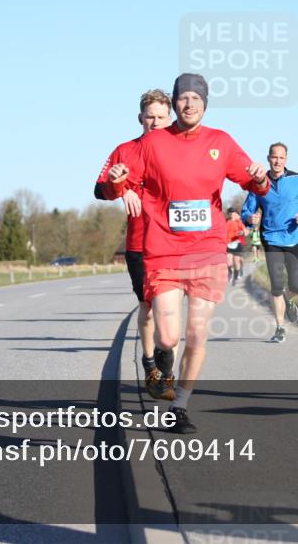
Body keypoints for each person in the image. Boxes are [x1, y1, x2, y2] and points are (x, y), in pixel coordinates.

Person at [106, 73, 270, 433]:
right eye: (183, 98)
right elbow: (107, 187)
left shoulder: (220, 141)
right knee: (168, 335)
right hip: (163, 250)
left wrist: (258, 177)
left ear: (205, 104)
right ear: (175, 103)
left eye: (197, 98)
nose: (190, 103)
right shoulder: (152, 144)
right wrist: (118, 181)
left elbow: (253, 181)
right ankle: (162, 359)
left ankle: (180, 405)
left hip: (207, 250)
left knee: (197, 332)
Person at [94, 89, 172, 396]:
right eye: (150, 117)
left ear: (171, 118)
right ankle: (151, 363)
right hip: (140, 243)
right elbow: (99, 190)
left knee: (171, 311)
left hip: (176, 243)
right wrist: (119, 185)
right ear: (140, 118)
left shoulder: (183, 150)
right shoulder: (125, 151)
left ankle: (167, 373)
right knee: (149, 307)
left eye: (161, 117)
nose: (155, 122)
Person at [242, 142, 298, 344]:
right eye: (274, 157)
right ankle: (280, 327)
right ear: (268, 158)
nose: (277, 161)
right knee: (276, 284)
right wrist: (250, 218)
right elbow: (247, 210)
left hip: (293, 237)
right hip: (271, 237)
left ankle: (288, 298)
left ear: (286, 159)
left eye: (281, 157)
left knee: (296, 284)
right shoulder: (259, 183)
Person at [225, 208, 247, 283]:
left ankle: (236, 274)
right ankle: (230, 274)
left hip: (237, 243)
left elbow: (246, 231)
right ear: (228, 214)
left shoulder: (239, 221)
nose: (231, 214)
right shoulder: (226, 221)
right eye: (230, 212)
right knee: (228, 262)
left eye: (233, 212)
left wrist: (243, 233)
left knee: (237, 261)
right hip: (228, 244)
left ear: (235, 213)